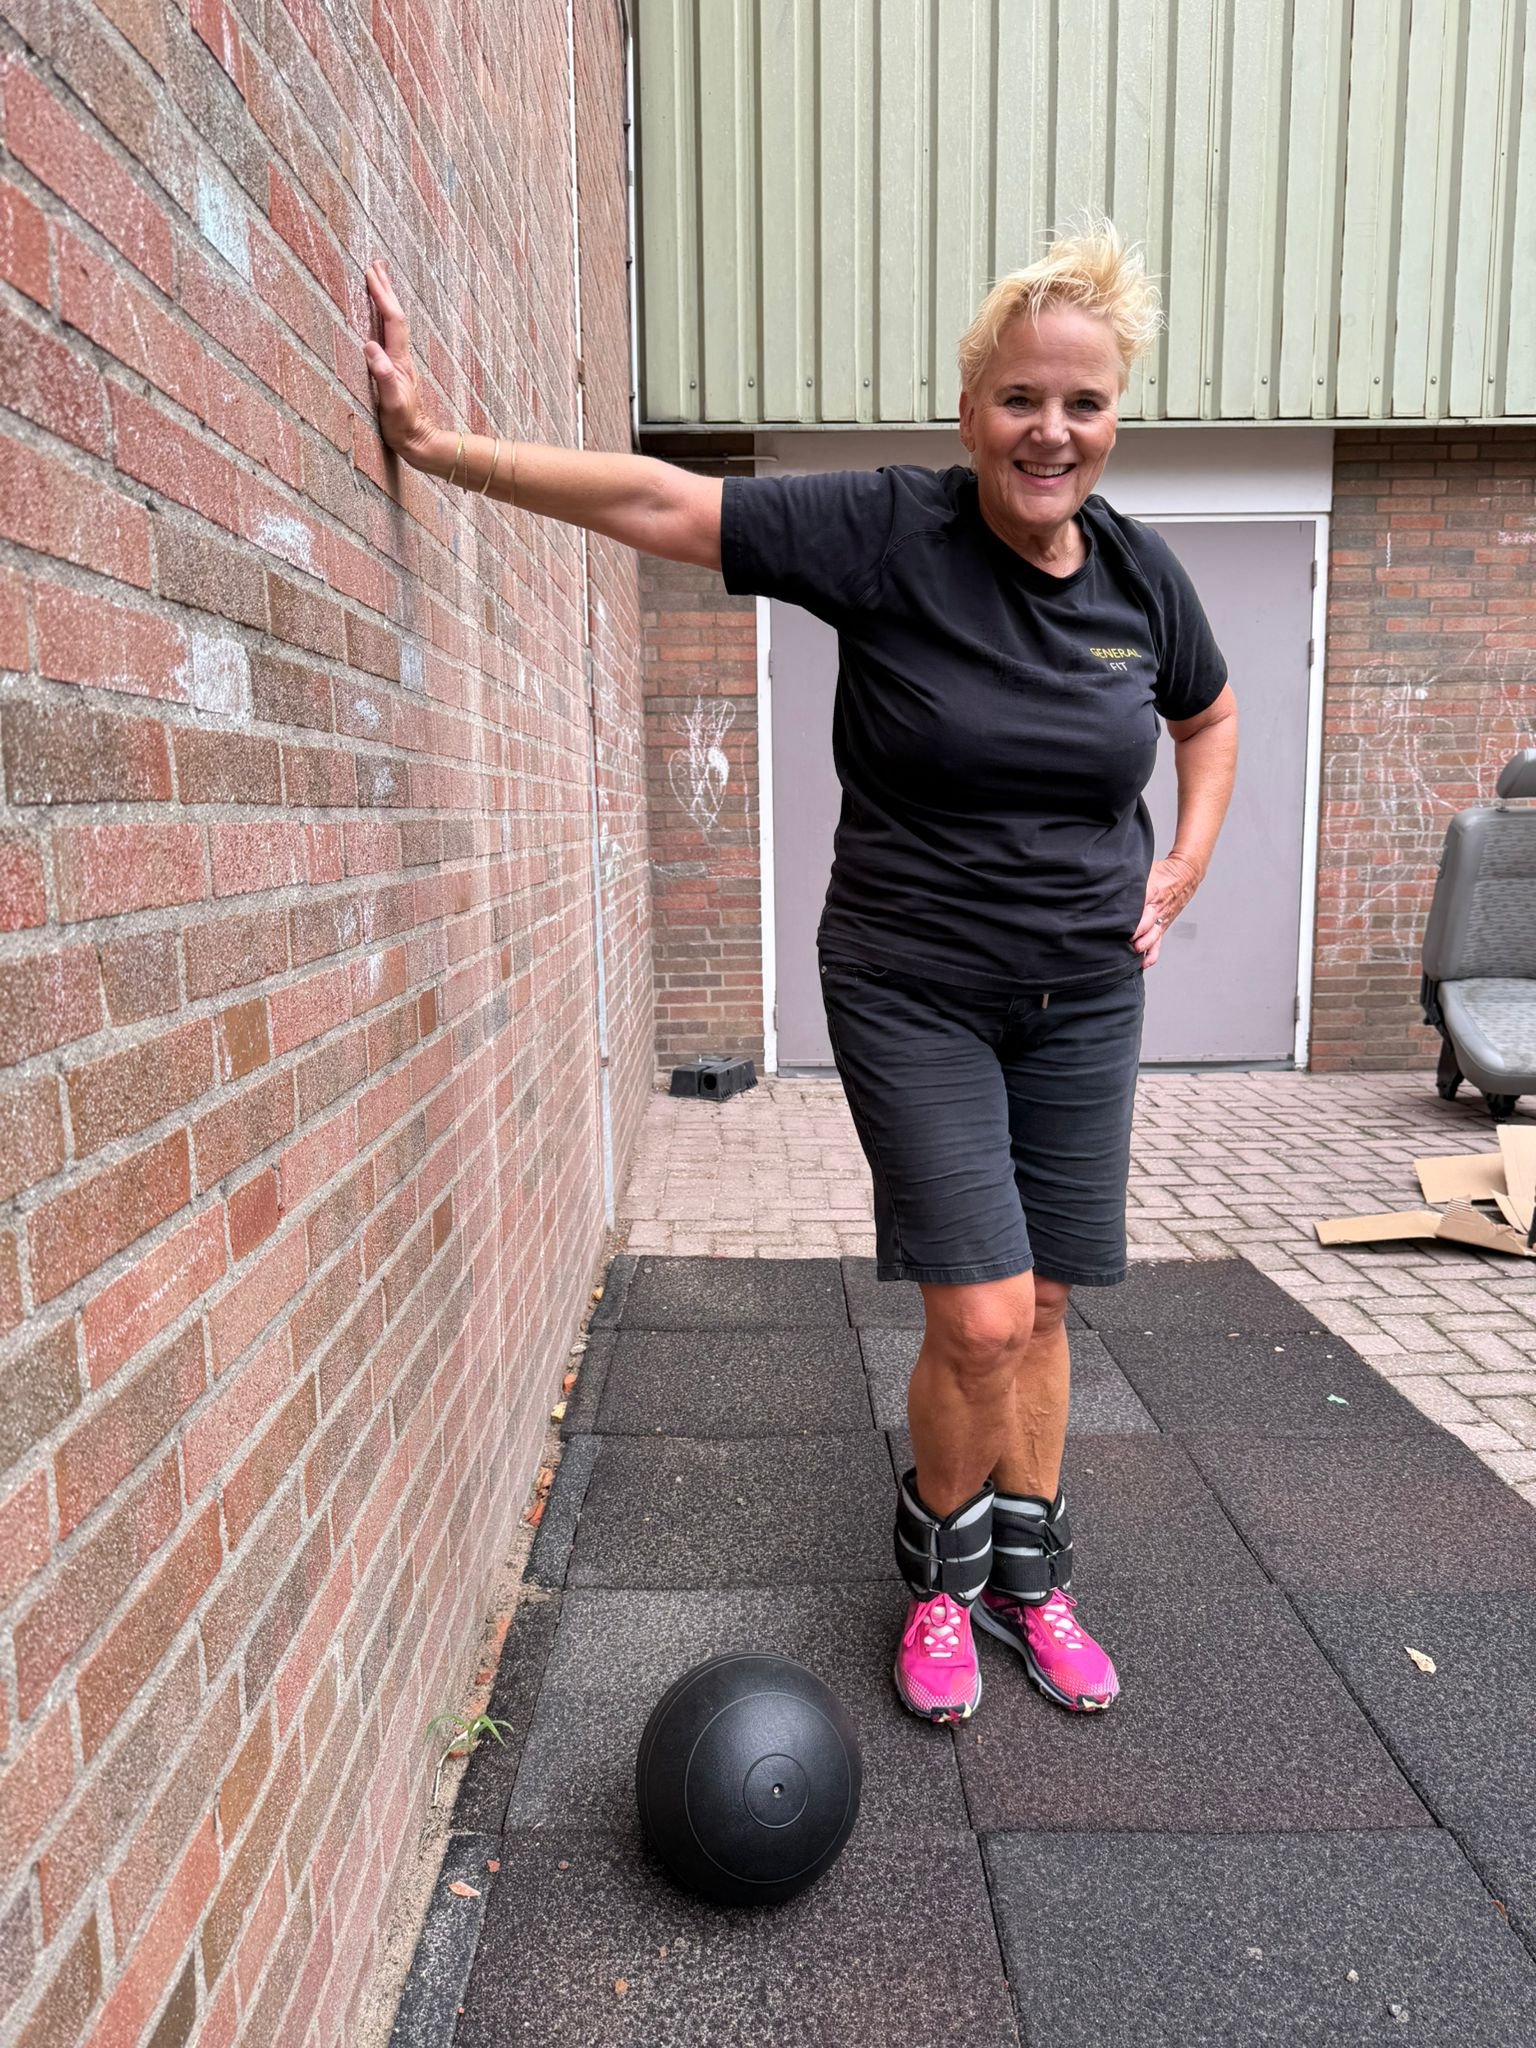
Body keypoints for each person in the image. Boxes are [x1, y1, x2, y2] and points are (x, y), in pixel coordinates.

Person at [363, 222, 1237, 1728]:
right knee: (979, 1310)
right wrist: (446, 450)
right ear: (972, 409)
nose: (1053, 430)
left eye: (1084, 404)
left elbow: (1209, 720)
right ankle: (945, 1583)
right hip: (914, 985)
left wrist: (1191, 860)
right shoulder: (890, 533)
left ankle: (1038, 1582)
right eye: (1023, 398)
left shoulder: (1144, 580)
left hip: (1088, 994)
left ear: (1115, 418)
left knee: (1046, 1309)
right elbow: (659, 497)